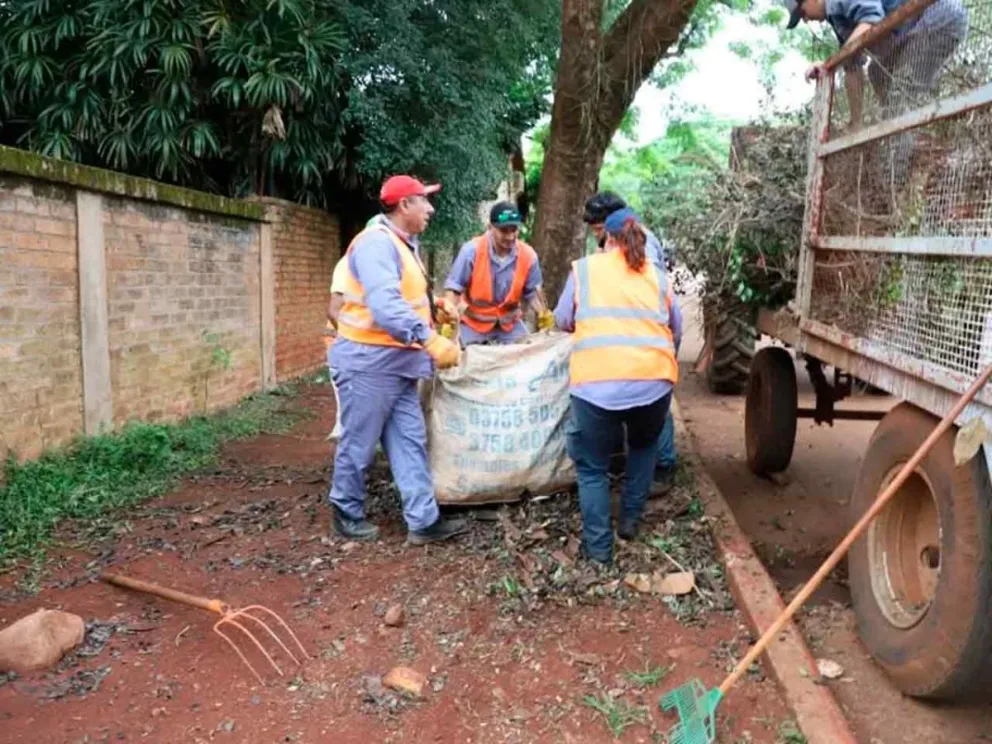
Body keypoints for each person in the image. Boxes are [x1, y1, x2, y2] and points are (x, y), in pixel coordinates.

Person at [328, 174, 468, 545]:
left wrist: (434, 308)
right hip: (369, 363)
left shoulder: (402, 245)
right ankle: (345, 511)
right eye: (424, 200)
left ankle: (423, 521)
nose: (430, 208)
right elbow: (386, 306)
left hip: (398, 364)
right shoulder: (376, 243)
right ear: (405, 204)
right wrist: (431, 340)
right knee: (359, 443)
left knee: (409, 441)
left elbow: (402, 297)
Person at [554, 208, 682, 563]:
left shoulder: (585, 270)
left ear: (607, 238)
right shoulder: (657, 276)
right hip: (654, 383)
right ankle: (629, 522)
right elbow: (676, 329)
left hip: (596, 386)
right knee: (643, 448)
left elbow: (563, 319)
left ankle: (599, 551)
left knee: (592, 466)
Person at [785, 0, 968, 187]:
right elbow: (852, 64)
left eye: (802, 13)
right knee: (878, 73)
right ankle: (901, 133)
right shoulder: (837, 18)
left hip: (938, 16)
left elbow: (871, 19)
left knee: (898, 97)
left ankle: (894, 184)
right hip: (912, 29)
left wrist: (833, 62)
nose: (805, 20)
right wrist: (856, 123)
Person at [583, 192, 680, 490]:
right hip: (640, 334)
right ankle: (640, 465)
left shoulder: (641, 244)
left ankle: (663, 466)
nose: (596, 235)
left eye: (598, 229)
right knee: (649, 401)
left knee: (653, 402)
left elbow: (655, 294)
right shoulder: (622, 241)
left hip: (644, 336)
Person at [444, 201, 553, 346]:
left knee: (527, 354)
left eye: (514, 230)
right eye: (504, 231)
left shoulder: (528, 256)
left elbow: (533, 293)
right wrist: (448, 319)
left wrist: (543, 314)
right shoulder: (471, 252)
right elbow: (454, 289)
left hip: (509, 325)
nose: (510, 236)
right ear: (490, 228)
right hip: (474, 323)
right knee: (461, 356)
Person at [324, 257, 349, 441]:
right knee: (345, 390)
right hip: (342, 339)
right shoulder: (348, 264)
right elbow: (333, 311)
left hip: (348, 339)